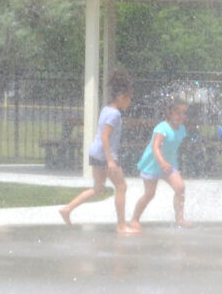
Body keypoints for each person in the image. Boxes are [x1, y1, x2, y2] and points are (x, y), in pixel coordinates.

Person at [59, 75, 133, 230]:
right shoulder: (115, 114)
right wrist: (110, 160)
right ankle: (121, 225)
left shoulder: (106, 109)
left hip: (95, 152)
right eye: (128, 99)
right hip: (105, 156)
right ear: (120, 97)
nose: (130, 102)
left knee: (98, 189)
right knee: (121, 187)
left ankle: (67, 209)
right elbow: (105, 136)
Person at [129, 97, 191, 232]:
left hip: (169, 164)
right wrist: (162, 162)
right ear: (170, 112)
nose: (181, 116)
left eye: (184, 113)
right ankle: (134, 219)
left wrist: (168, 163)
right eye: (178, 112)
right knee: (149, 194)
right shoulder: (162, 128)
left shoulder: (182, 129)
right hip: (153, 164)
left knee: (180, 188)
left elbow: (174, 145)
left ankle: (179, 219)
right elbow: (155, 147)